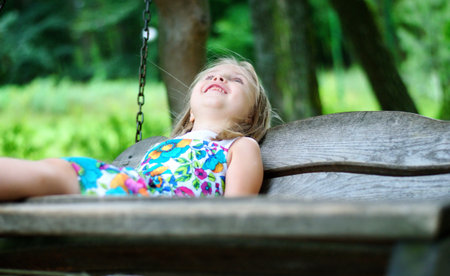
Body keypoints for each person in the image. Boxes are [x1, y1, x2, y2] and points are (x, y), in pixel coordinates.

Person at [0, 57, 272, 201]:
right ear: (190, 112)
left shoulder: (240, 147)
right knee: (57, 172)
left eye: (237, 80)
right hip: (135, 196)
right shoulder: (167, 146)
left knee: (62, 173)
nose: (219, 77)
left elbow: (237, 211)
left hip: (161, 213)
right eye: (211, 76)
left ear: (252, 115)